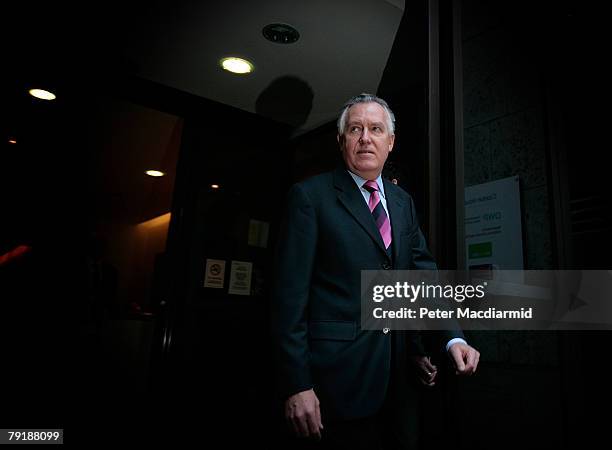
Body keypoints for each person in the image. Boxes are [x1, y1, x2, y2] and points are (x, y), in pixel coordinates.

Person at [271, 93, 479, 449]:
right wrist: (296, 384)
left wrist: (451, 337)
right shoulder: (310, 197)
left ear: (391, 142)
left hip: (400, 385)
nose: (366, 137)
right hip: (334, 387)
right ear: (342, 141)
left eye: (376, 129)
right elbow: (287, 300)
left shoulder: (402, 203)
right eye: (356, 129)